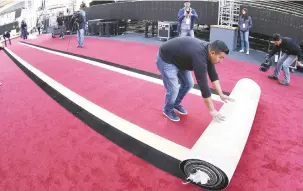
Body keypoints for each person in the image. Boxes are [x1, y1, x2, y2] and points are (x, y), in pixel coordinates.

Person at [156, 36, 234, 122]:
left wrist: (221, 94)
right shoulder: (199, 57)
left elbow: (213, 75)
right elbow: (203, 85)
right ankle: (167, 109)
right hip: (167, 59)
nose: (221, 61)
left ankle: (175, 103)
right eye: (221, 57)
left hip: (180, 58)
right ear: (212, 53)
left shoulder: (209, 51)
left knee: (188, 84)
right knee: (173, 89)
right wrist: (212, 110)